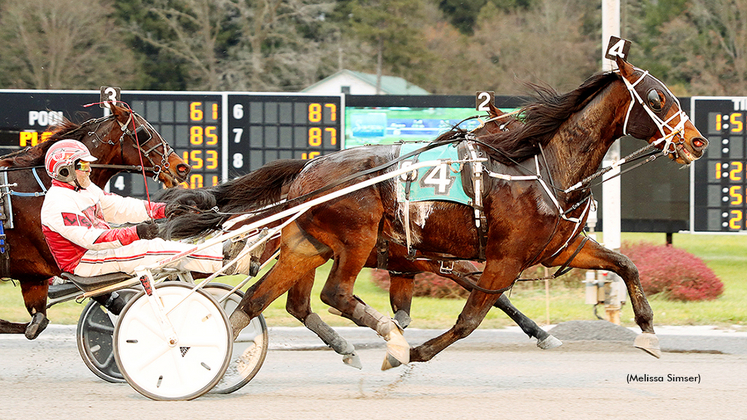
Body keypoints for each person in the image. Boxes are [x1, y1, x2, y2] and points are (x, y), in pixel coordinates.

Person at [40, 139, 255, 278]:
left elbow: (120, 207)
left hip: (99, 253)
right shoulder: (58, 203)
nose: (89, 170)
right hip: (85, 262)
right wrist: (136, 232)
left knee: (163, 245)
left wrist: (163, 210)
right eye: (83, 165)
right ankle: (231, 260)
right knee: (154, 250)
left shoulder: (85, 189)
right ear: (65, 170)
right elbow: (91, 240)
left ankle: (227, 257)